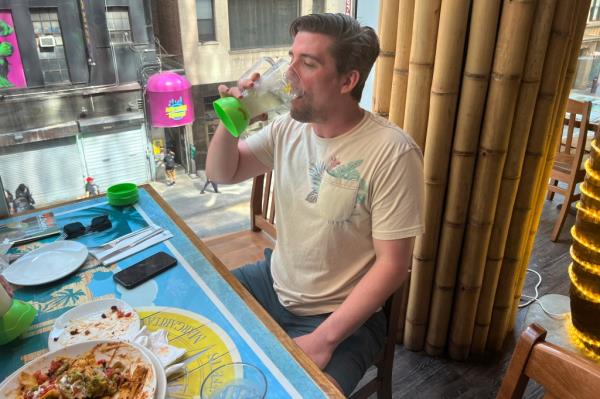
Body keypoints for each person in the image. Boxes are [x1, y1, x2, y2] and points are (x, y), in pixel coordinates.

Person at [206, 13, 424, 395]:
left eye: (307, 64)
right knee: (196, 318)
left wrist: (324, 339)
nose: (289, 74)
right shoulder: (290, 128)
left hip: (341, 315)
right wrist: (233, 120)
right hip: (274, 281)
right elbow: (223, 171)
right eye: (291, 59)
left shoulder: (392, 152)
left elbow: (394, 265)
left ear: (347, 80)